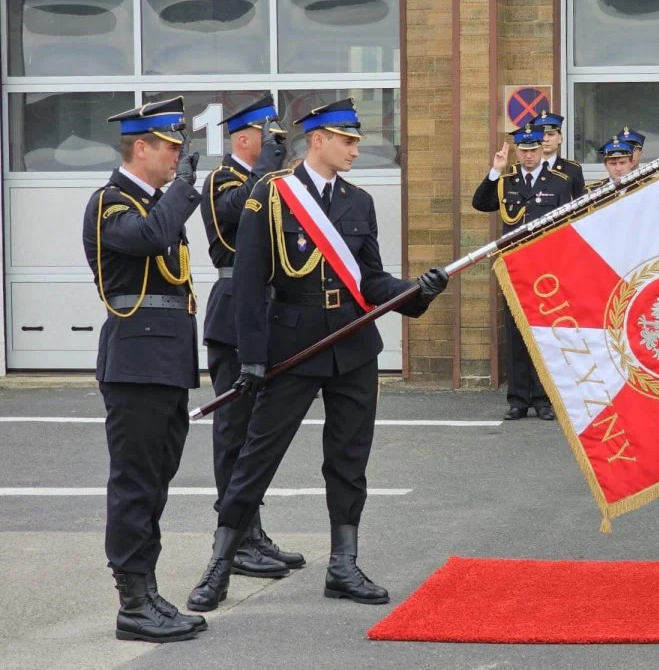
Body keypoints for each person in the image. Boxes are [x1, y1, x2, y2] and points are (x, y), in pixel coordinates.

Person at [187, 97, 449, 612]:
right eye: (347, 140)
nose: (355, 149)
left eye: (356, 140)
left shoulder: (358, 202)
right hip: (293, 342)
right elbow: (249, 280)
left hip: (352, 343)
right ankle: (221, 560)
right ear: (318, 140)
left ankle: (343, 565)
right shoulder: (272, 194)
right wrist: (253, 360)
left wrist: (419, 291)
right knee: (258, 454)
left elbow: (370, 281)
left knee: (349, 458)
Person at [82, 96, 207, 641]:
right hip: (136, 362)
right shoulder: (113, 202)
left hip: (165, 362)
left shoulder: (155, 203)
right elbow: (150, 239)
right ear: (141, 147)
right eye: (170, 147)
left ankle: (147, 589)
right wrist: (182, 194)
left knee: (156, 481)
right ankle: (133, 600)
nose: (178, 157)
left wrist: (174, 195)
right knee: (135, 483)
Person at [199, 95, 303, 578]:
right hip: (234, 314)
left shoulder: (264, 178)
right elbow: (236, 216)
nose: (276, 146)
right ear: (244, 139)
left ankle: (251, 532)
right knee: (234, 431)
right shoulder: (224, 178)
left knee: (257, 436)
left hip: (268, 311)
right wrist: (267, 171)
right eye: (267, 138)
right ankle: (235, 539)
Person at [472, 124, 574, 420]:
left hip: (546, 269)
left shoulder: (559, 182)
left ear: (542, 149)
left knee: (543, 335)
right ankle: (518, 399)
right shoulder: (507, 181)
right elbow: (480, 203)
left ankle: (543, 399)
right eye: (523, 150)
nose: (528, 155)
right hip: (514, 268)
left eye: (533, 149)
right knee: (516, 334)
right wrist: (495, 171)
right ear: (516, 151)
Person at [532, 110, 585, 198]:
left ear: (560, 138)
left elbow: (580, 204)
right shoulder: (522, 168)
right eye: (542, 135)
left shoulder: (573, 170)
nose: (546, 139)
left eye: (551, 134)